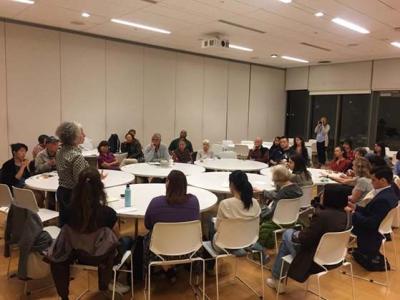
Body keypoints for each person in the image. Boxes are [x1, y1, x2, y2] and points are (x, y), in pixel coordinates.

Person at [50, 167, 127, 300]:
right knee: (127, 241)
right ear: (100, 188)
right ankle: (112, 283)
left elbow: (65, 233)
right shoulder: (107, 213)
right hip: (101, 257)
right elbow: (116, 237)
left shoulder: (67, 212)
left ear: (78, 187)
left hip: (75, 255)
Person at [266, 184, 351, 292]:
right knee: (287, 243)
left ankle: (277, 279)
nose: (321, 196)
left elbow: (305, 239)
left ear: (330, 198)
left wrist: (296, 234)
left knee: (287, 234)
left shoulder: (322, 216)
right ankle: (277, 279)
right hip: (335, 256)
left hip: (313, 257)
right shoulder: (347, 215)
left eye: (323, 194)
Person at [144, 170, 200, 283]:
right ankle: (171, 267)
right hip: (189, 251)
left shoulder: (156, 203)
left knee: (147, 237)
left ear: (168, 183)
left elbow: (147, 225)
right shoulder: (194, 202)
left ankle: (167, 267)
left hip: (159, 252)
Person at [350, 167, 398, 271]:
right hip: (380, 227)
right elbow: (371, 212)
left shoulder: (383, 199)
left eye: (373, 180)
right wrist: (355, 207)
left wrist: (352, 214)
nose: (371, 183)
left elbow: (371, 223)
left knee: (338, 219)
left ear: (383, 180)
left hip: (370, 231)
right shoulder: (390, 192)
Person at [213, 171, 261, 250]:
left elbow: (217, 227)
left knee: (210, 224)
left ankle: (209, 260)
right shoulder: (255, 203)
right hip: (248, 241)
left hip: (225, 244)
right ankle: (239, 249)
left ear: (231, 185)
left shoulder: (225, 204)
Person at [55, 121, 89, 227]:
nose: (83, 135)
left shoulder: (60, 152)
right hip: (74, 195)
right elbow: (80, 181)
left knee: (65, 224)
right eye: (80, 133)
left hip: (62, 191)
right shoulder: (76, 156)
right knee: (76, 226)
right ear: (75, 136)